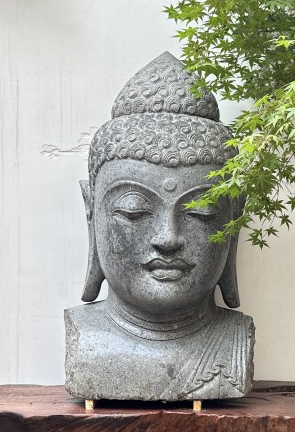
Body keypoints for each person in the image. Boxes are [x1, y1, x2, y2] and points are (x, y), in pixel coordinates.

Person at [65, 52, 255, 401]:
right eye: (134, 211)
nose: (168, 238)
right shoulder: (85, 336)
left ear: (233, 220)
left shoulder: (235, 337)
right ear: (92, 214)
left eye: (200, 212)